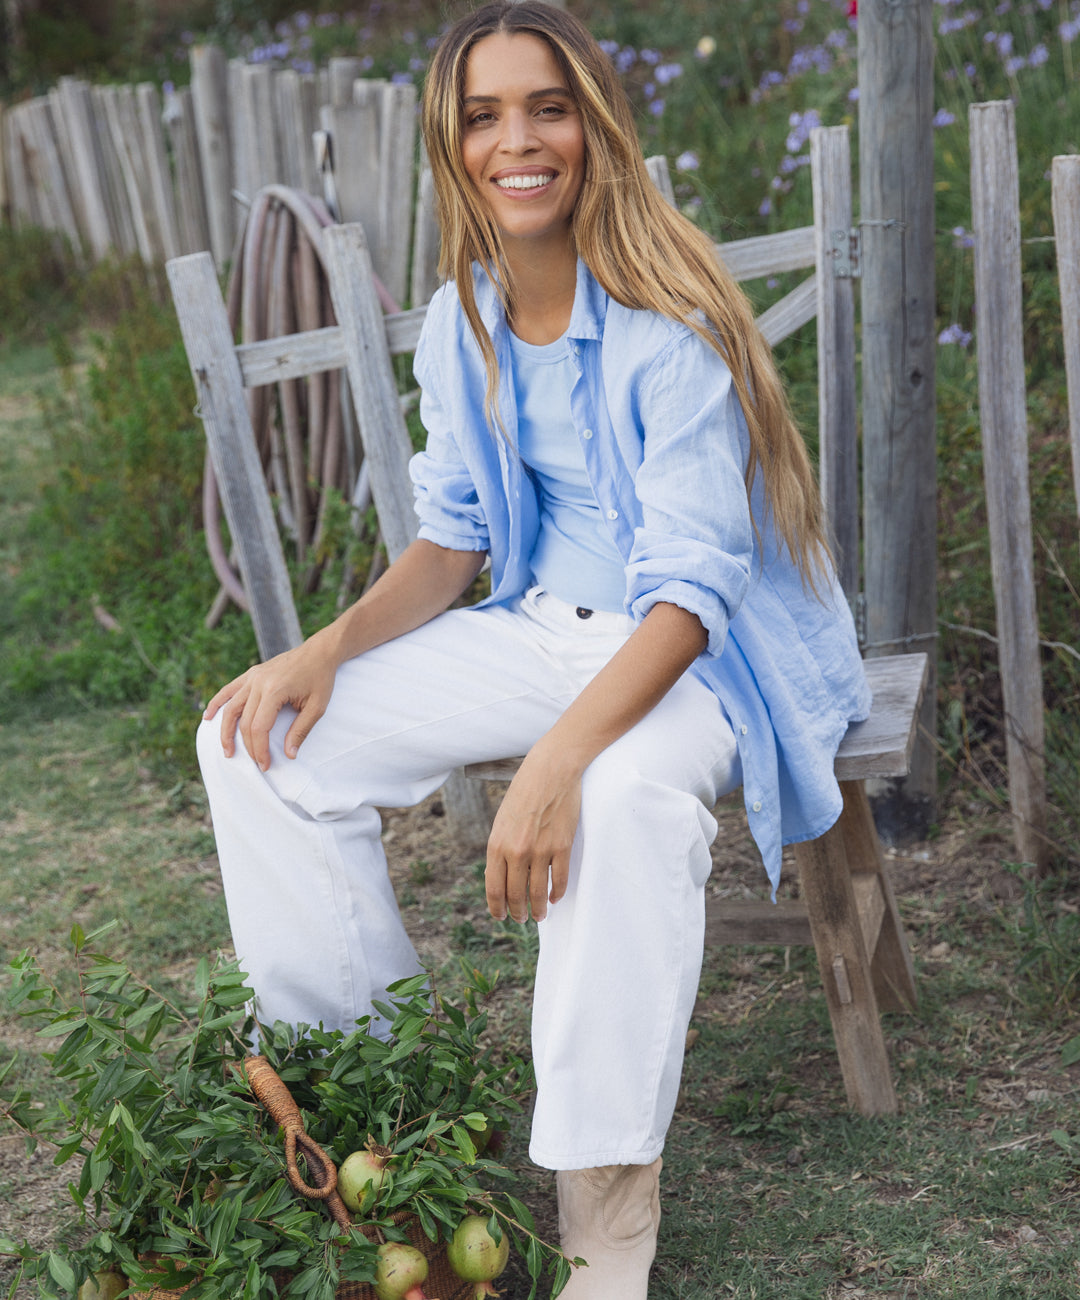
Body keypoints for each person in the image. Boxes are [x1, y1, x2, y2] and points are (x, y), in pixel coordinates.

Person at [197, 3, 870, 1295]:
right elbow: (454, 541)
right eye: (483, 114)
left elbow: (689, 596)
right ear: (451, 147)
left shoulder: (672, 330)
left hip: (700, 661)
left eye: (547, 107)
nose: (519, 139)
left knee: (620, 802)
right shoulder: (468, 322)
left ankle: (604, 1224)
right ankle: (386, 1129)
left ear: (596, 128)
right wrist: (321, 651)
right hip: (544, 631)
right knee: (256, 744)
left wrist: (559, 763)